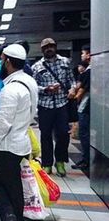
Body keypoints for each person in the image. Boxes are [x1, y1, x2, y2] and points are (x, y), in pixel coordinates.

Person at [0, 44, 39, 221]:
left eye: (2, 60)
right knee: (13, 184)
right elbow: (33, 112)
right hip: (21, 141)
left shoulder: (10, 89)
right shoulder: (30, 82)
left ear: (7, 61)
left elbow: (4, 121)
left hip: (8, 145)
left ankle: (9, 217)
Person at [31, 38, 76, 176]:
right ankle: (47, 164)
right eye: (46, 47)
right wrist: (46, 89)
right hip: (45, 106)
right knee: (45, 135)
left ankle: (60, 161)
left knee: (63, 134)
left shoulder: (65, 62)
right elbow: (33, 86)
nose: (49, 49)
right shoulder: (36, 67)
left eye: (51, 46)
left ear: (55, 47)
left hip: (62, 104)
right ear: (42, 50)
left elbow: (71, 80)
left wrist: (73, 89)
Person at [72, 44, 91, 170]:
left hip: (86, 106)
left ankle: (86, 160)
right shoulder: (91, 70)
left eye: (83, 53)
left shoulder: (89, 72)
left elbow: (81, 90)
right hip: (91, 106)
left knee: (84, 133)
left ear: (89, 54)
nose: (82, 56)